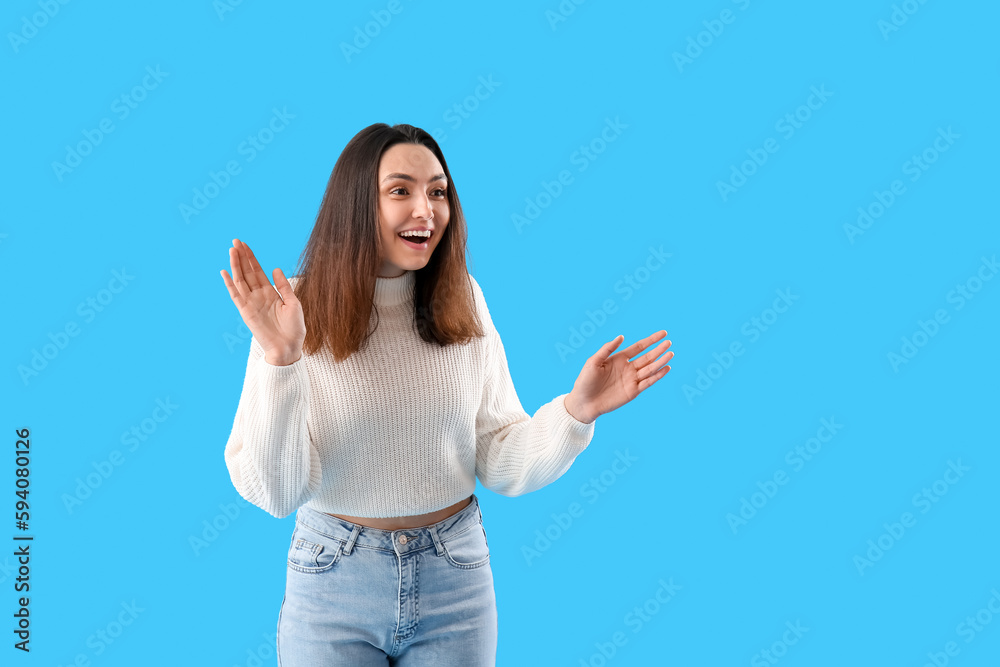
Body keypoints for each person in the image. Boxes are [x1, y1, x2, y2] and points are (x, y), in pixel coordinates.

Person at [219, 123, 674, 666]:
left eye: (438, 191)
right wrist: (281, 358)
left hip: (454, 577)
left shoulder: (464, 301)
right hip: (333, 578)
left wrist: (578, 411)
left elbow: (499, 458)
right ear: (355, 205)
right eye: (400, 191)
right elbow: (277, 494)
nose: (425, 210)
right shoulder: (293, 312)